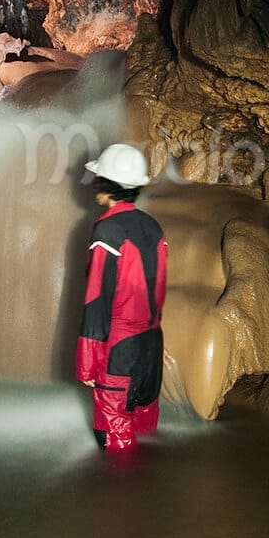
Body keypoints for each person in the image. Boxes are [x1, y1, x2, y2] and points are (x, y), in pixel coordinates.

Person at [76, 143, 168, 451]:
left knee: (116, 441)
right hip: (151, 345)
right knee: (145, 431)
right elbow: (157, 287)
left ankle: (122, 495)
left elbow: (97, 300)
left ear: (106, 185)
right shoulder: (153, 227)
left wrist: (87, 363)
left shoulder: (107, 231)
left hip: (119, 351)